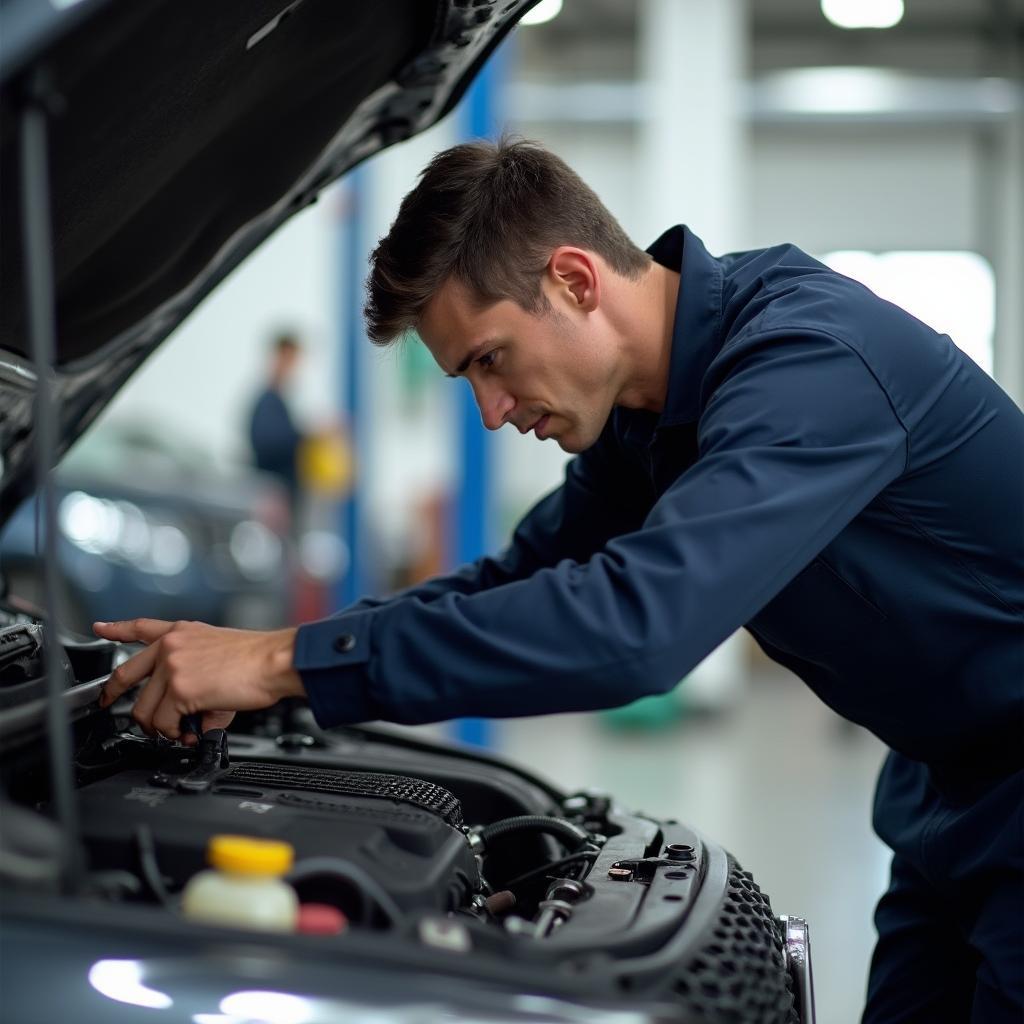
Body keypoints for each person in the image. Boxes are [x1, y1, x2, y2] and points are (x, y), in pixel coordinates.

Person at [95, 139, 1023, 1020]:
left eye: (490, 361)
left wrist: (284, 660)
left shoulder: (809, 364)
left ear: (574, 280)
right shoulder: (645, 411)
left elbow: (636, 628)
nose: (491, 412)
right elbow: (518, 576)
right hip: (938, 785)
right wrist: (270, 674)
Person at [248, 331, 305, 508]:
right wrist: (307, 436)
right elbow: (268, 442)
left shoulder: (281, 401)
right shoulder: (268, 402)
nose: (291, 367)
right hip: (274, 497)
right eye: (288, 359)